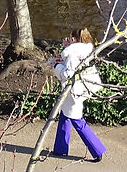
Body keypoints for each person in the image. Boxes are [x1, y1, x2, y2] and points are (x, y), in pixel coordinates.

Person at [51, 28, 105, 162]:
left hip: (75, 90)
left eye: (70, 38)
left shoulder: (72, 53)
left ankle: (97, 150)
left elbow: (67, 74)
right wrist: (66, 49)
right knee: (65, 115)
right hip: (85, 86)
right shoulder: (86, 50)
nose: (68, 40)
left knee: (76, 119)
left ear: (74, 39)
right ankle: (60, 149)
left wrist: (56, 66)